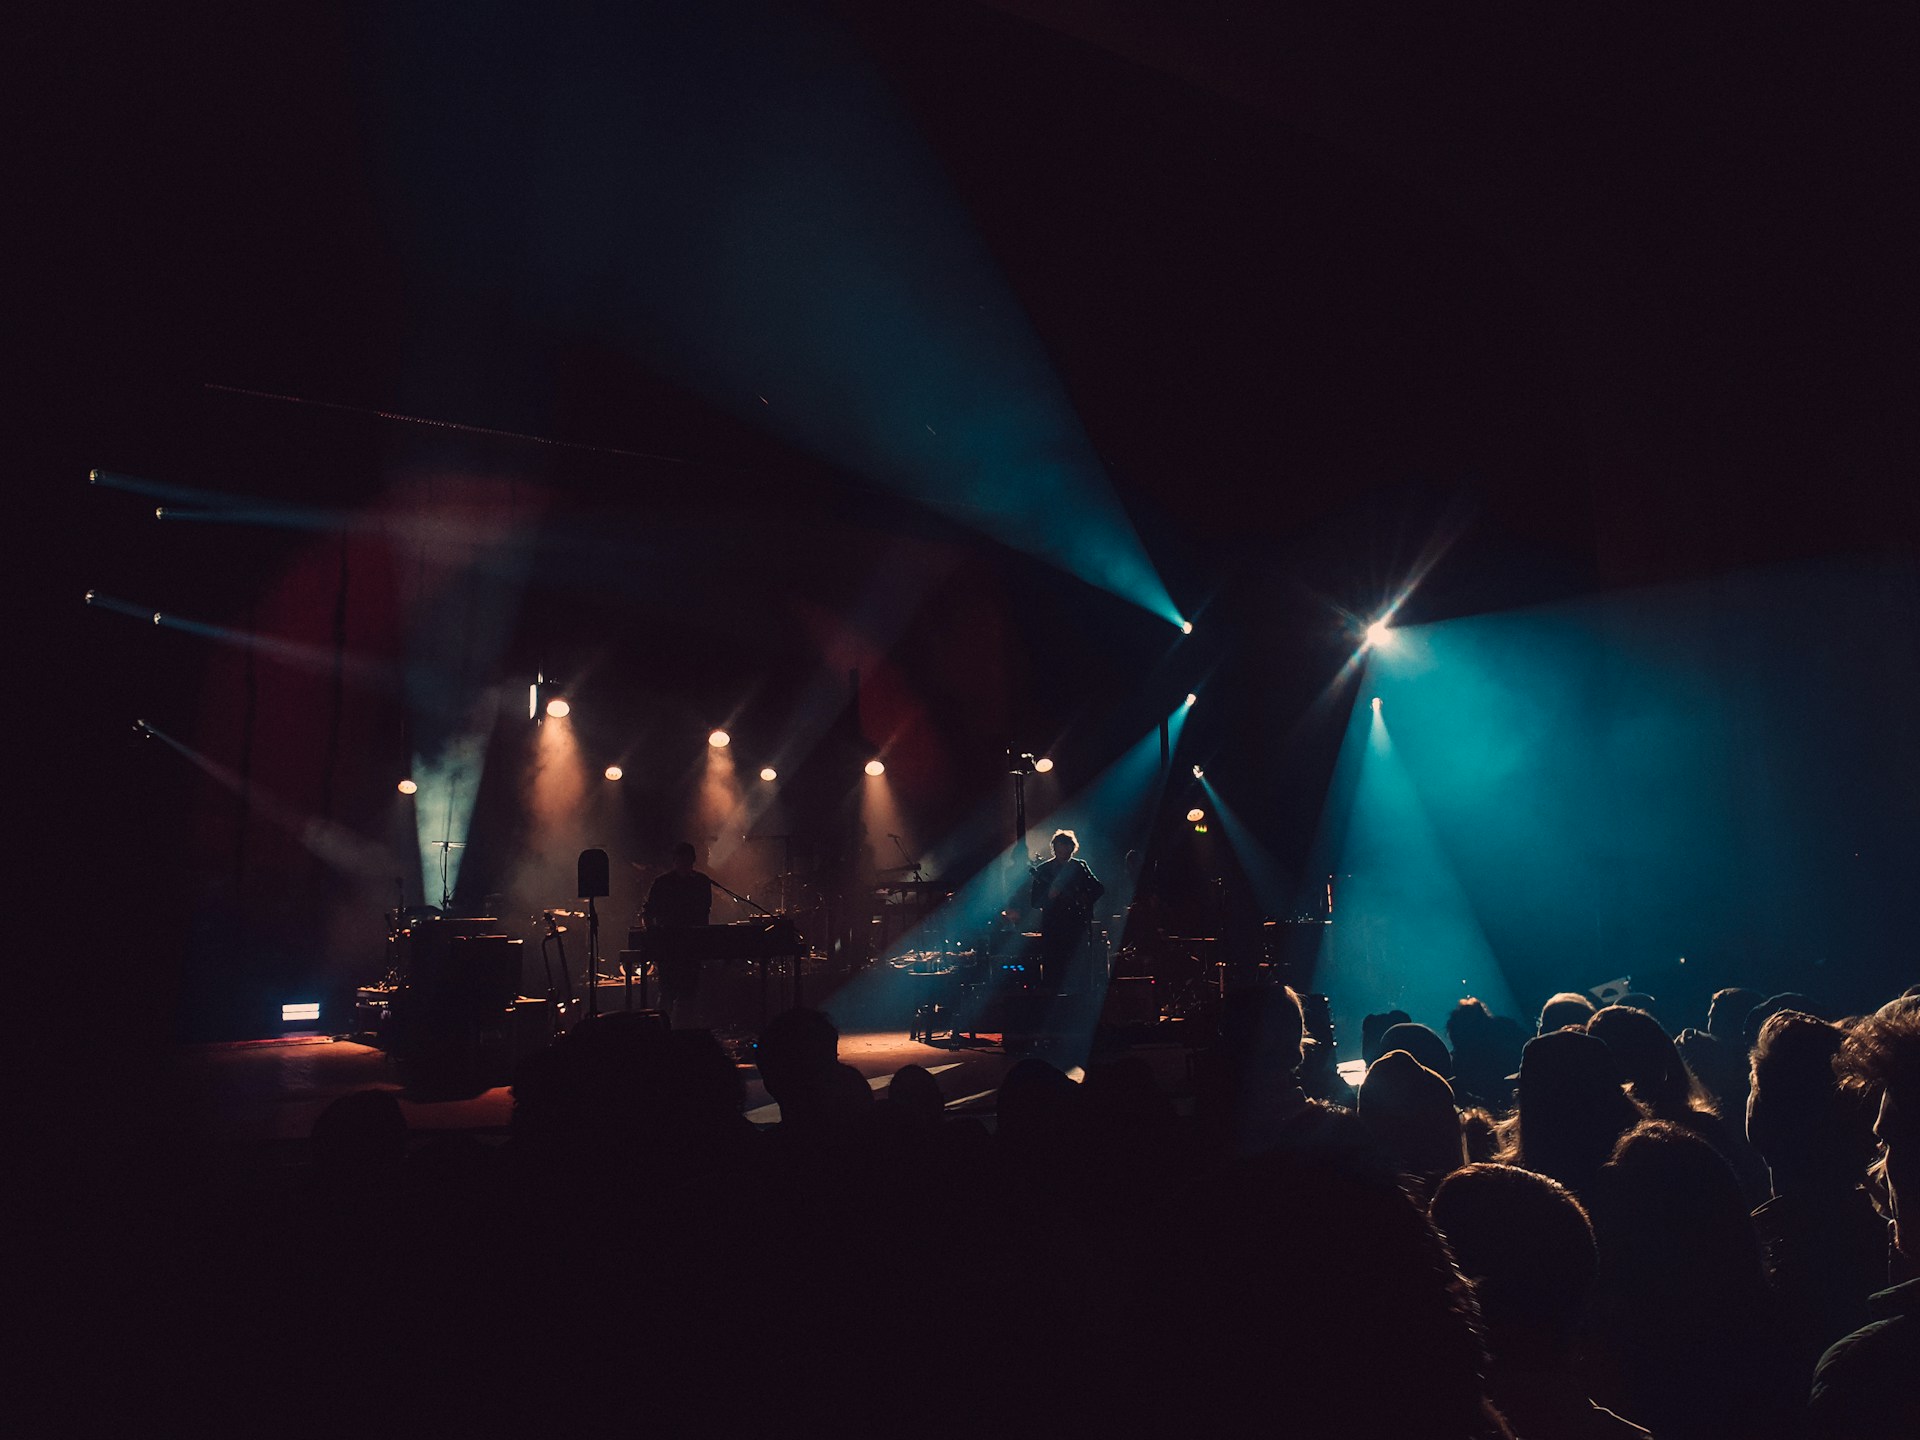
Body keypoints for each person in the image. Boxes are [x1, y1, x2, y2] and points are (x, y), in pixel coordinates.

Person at [1027, 829, 1104, 993]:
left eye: (1066, 849)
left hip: (1077, 924)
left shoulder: (1080, 866)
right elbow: (1035, 902)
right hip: (1054, 927)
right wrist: (1049, 897)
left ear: (1072, 848)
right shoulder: (1043, 870)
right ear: (1054, 849)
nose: (1063, 853)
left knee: (1079, 966)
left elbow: (1098, 889)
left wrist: (1084, 898)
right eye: (1059, 849)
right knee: (1055, 968)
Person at [643, 842, 714, 1016]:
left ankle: (683, 1028)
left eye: (687, 860)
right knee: (668, 991)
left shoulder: (702, 882)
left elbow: (704, 912)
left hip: (691, 945)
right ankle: (665, 1029)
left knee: (688, 993)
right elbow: (648, 912)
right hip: (669, 945)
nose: (684, 864)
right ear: (675, 860)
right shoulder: (662, 883)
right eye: (681, 860)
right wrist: (654, 937)